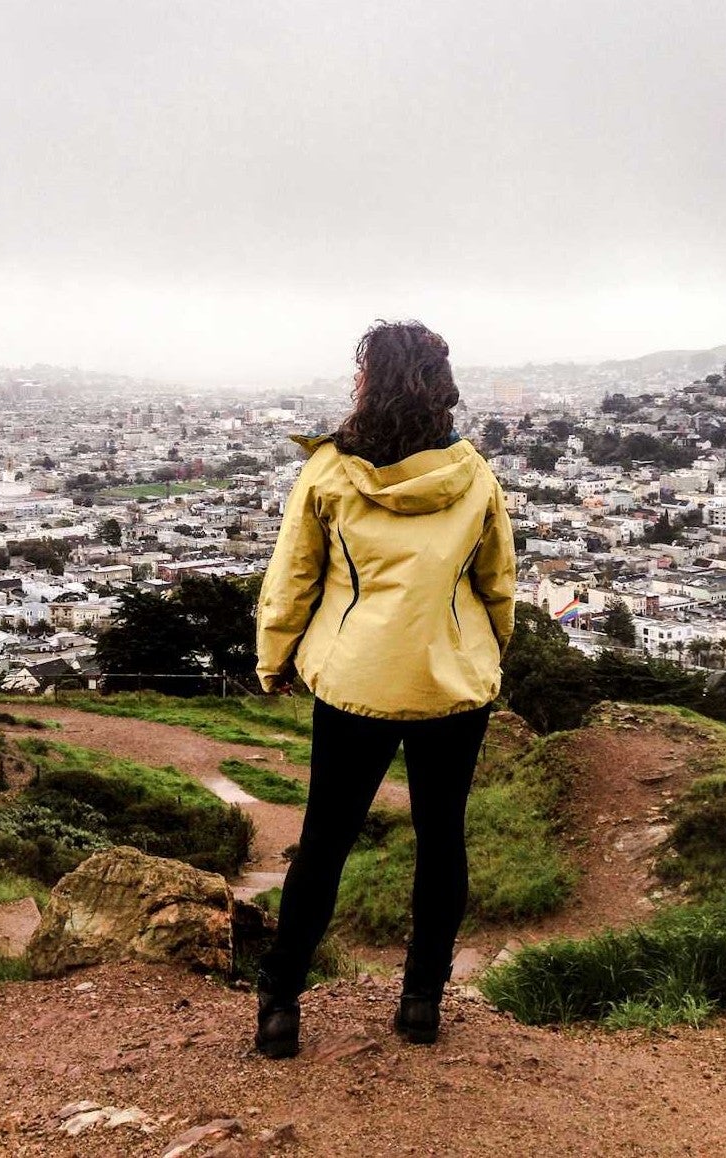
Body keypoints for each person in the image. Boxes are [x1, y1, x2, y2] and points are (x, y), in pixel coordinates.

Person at [253, 320, 517, 1058]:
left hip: (354, 682)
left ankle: (280, 1005)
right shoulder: (473, 474)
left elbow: (292, 579)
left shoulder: (329, 472)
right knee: (441, 842)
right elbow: (497, 583)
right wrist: (487, 652)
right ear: (439, 384)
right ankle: (421, 1003)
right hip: (452, 686)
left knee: (324, 842)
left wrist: (274, 658)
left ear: (366, 380)